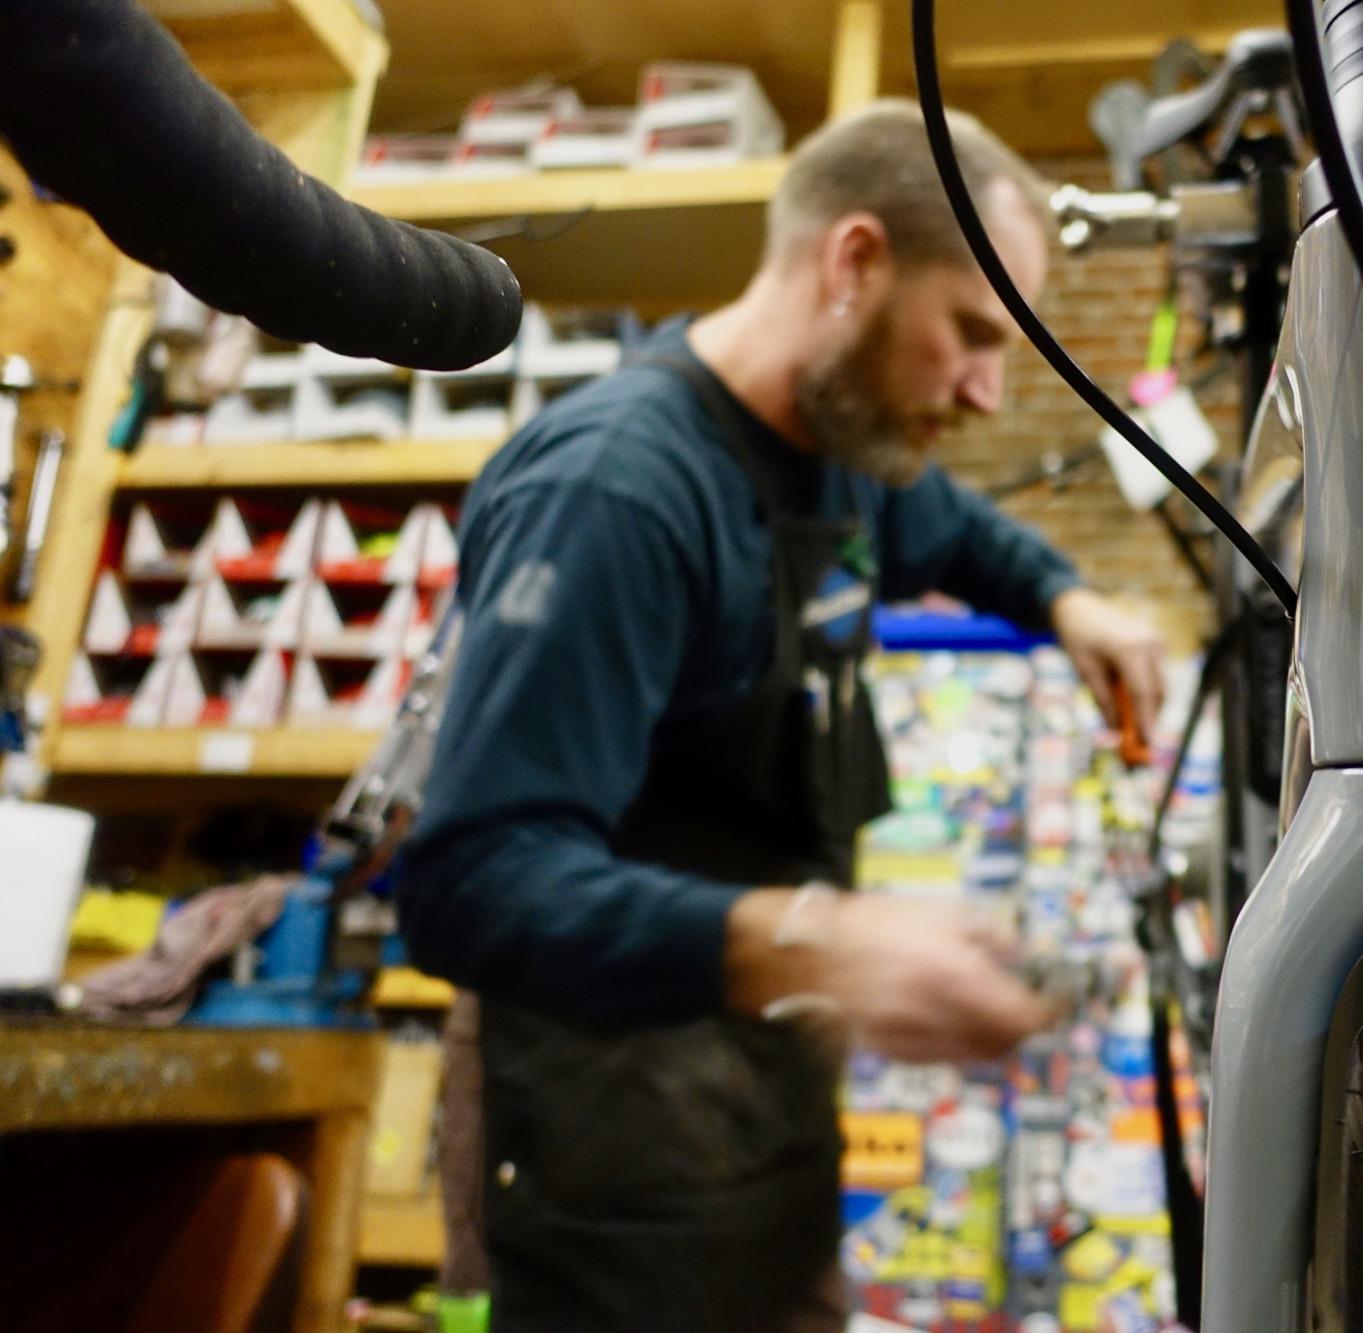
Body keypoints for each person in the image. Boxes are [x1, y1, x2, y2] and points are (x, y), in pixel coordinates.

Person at [396, 98, 1169, 1333]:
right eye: (971, 331)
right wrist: (820, 943)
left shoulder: (841, 451)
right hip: (605, 1149)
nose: (984, 392)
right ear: (854, 262)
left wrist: (1066, 600)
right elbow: (468, 882)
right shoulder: (619, 492)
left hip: (760, 1109)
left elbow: (948, 527)